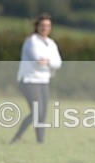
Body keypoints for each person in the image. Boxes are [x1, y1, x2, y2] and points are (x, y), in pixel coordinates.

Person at [10, 13, 62, 144]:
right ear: (37, 26)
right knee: (36, 112)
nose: (45, 28)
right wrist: (50, 62)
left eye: (48, 26)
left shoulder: (51, 43)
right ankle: (16, 138)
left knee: (42, 113)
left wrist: (48, 62)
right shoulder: (32, 41)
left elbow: (58, 63)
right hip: (29, 80)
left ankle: (40, 142)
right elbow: (38, 59)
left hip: (44, 80)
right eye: (42, 25)